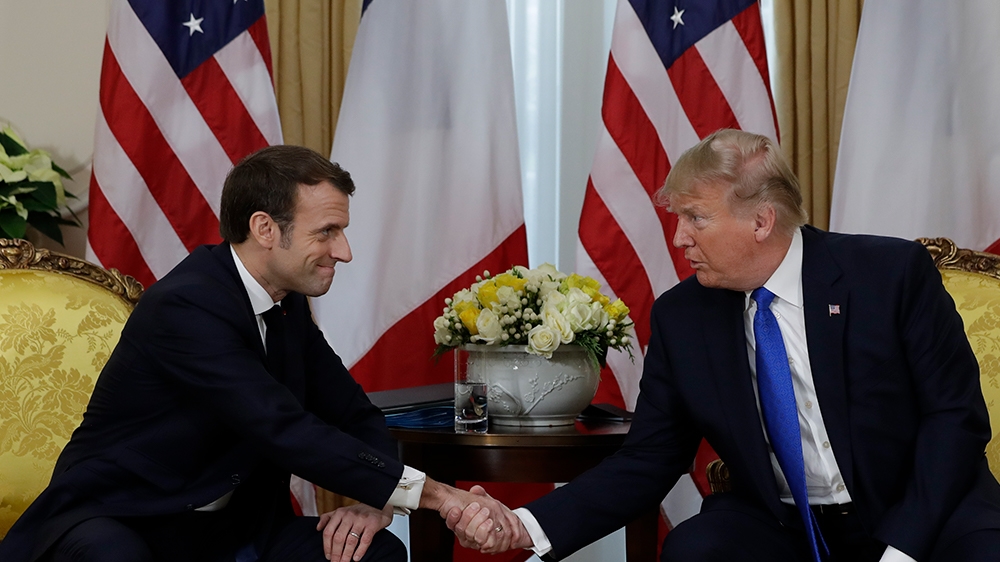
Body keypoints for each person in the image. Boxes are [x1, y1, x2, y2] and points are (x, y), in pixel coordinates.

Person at [448, 129, 1000, 561]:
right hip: (785, 522)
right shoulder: (683, 316)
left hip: (920, 508)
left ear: (762, 220)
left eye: (696, 218)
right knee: (699, 550)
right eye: (678, 218)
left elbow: (956, 419)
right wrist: (525, 524)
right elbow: (649, 458)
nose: (679, 237)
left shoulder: (888, 275)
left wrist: (902, 552)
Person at [0, 145, 517, 562]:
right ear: (265, 228)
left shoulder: (285, 305)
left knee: (372, 552)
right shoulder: (186, 305)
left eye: (342, 231)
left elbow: (353, 413)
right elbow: (282, 428)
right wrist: (441, 497)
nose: (344, 252)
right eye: (327, 232)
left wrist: (372, 503)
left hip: (233, 530)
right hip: (126, 518)